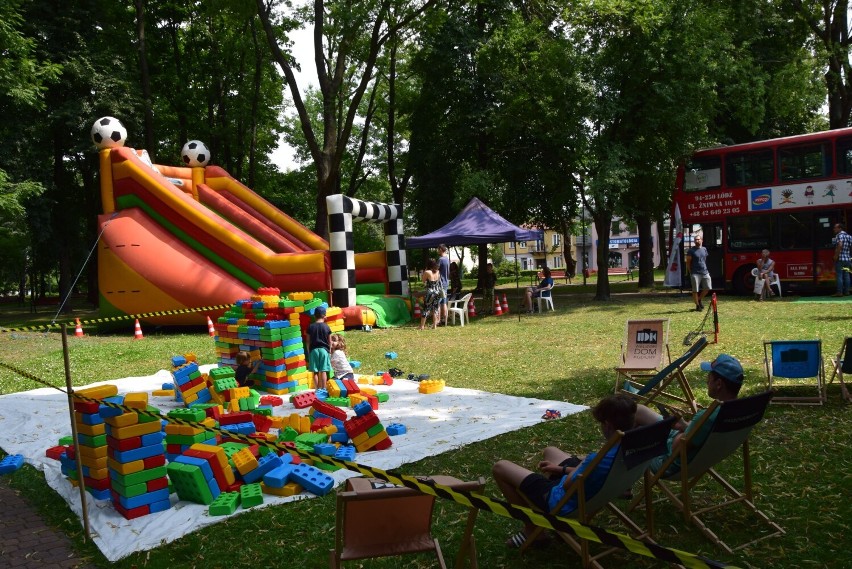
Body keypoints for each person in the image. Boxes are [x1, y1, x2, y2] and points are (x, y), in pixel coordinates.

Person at [492, 394, 637, 548]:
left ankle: (533, 530)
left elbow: (569, 485)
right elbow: (587, 472)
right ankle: (555, 524)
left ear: (607, 425)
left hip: (563, 501)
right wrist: (560, 469)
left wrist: (573, 467)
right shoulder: (635, 448)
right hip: (602, 490)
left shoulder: (597, 460)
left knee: (500, 467)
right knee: (550, 451)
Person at [633, 353, 744, 475]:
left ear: (718, 384)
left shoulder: (707, 416)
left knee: (634, 432)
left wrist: (660, 435)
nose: (707, 380)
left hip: (669, 462)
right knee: (638, 410)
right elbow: (697, 436)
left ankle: (619, 481)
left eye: (709, 376)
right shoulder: (738, 411)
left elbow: (677, 448)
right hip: (700, 458)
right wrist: (684, 426)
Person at [306, 305, 332, 390]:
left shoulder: (310, 326)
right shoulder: (326, 327)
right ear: (324, 316)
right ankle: (324, 389)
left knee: (315, 372)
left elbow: (308, 341)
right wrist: (330, 350)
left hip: (313, 350)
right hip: (324, 350)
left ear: (314, 315)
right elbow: (330, 341)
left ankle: (317, 389)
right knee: (323, 370)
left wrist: (308, 351)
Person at [686, 235, 711, 312]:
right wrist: (691, 272)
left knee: (707, 288)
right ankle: (697, 306)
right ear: (694, 241)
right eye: (696, 240)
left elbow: (704, 259)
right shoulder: (691, 251)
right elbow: (688, 263)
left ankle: (699, 300)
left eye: (698, 239)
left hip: (705, 272)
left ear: (701, 240)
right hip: (695, 273)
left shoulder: (704, 249)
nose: (697, 241)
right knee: (695, 290)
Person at [420, 259, 442, 330]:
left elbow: (423, 281)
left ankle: (422, 326)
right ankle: (434, 325)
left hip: (430, 292)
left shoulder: (427, 272)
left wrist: (425, 271)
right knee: (435, 309)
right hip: (437, 292)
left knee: (426, 308)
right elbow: (438, 281)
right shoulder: (438, 271)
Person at [832, 222, 852, 297]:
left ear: (840, 228)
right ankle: (847, 292)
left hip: (840, 259)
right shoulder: (849, 236)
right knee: (847, 275)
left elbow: (840, 245)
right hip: (848, 259)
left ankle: (839, 292)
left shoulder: (839, 235)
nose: (834, 229)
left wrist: (836, 256)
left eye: (835, 227)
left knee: (839, 276)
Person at [437, 244, 450, 325]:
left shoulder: (441, 259)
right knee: (444, 302)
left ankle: (437, 321)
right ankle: (444, 320)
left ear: (441, 249)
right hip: (445, 283)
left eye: (438, 249)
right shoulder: (447, 259)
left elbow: (436, 270)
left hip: (440, 284)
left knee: (437, 303)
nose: (437, 250)